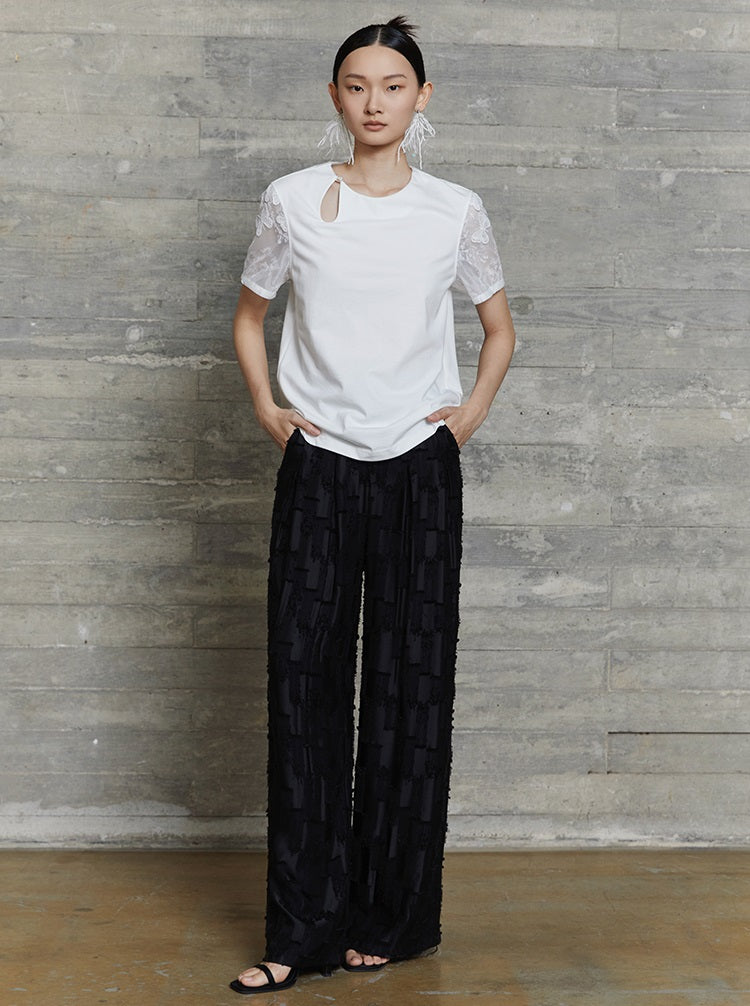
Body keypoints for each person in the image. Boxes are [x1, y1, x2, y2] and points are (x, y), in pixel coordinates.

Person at [229, 15, 515, 995]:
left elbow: (498, 327)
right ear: (335, 97)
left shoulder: (454, 210)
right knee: (303, 688)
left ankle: (390, 919)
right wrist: (268, 405)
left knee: (410, 686)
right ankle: (300, 930)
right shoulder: (292, 200)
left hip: (417, 467)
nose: (375, 101)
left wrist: (466, 415)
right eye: (357, 85)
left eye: (393, 85)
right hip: (320, 461)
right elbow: (251, 314)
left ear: (421, 97)